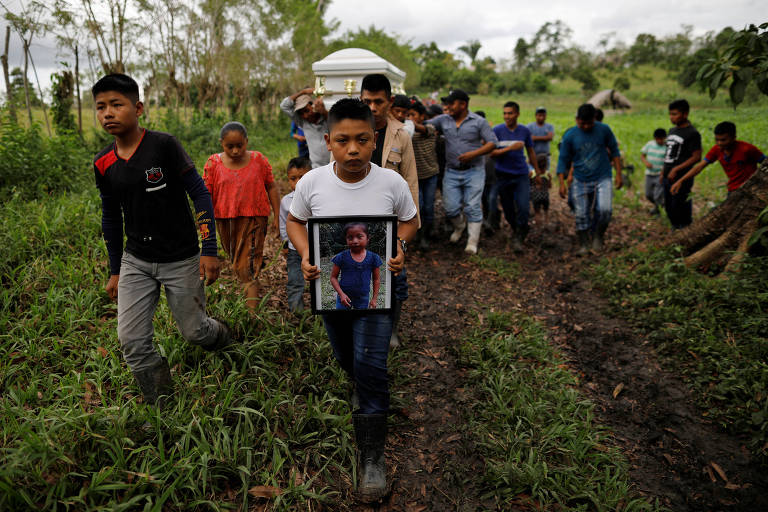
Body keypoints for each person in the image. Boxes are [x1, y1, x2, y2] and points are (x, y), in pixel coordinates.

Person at [286, 98, 418, 501]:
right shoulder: (312, 183)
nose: (354, 150)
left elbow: (410, 221)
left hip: (377, 295)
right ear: (328, 141)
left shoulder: (391, 183)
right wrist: (307, 255)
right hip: (334, 295)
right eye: (343, 141)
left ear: (374, 139)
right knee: (347, 357)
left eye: (363, 140)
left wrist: (400, 248)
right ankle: (359, 380)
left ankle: (371, 458)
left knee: (372, 364)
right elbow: (295, 220)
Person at [92, 73, 231, 408]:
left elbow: (199, 193)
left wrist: (208, 250)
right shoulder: (103, 162)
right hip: (136, 259)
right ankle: (162, 406)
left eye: (116, 104)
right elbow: (111, 217)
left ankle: (224, 338)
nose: (108, 113)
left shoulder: (164, 146)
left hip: (181, 257)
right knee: (132, 340)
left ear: (138, 108)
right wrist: (115, 270)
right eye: (100, 107)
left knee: (195, 332)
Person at [360, 73, 419, 349]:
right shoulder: (353, 129)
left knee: (395, 276)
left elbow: (410, 182)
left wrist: (409, 230)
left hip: (391, 220)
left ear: (390, 101)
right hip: (356, 217)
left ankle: (392, 328)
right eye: (367, 101)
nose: (372, 108)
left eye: (378, 102)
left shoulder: (401, 136)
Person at [203, 122, 280, 311]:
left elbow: (270, 186)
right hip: (225, 221)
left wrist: (278, 214)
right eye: (230, 146)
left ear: (247, 141)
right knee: (237, 262)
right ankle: (247, 299)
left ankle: (252, 316)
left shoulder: (258, 160)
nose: (236, 150)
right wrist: (204, 222)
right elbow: (205, 195)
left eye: (240, 145)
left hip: (254, 219)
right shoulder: (213, 163)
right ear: (222, 143)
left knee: (247, 269)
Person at [426, 89, 497, 254]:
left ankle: (472, 243)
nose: (448, 106)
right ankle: (460, 227)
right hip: (451, 171)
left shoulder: (479, 122)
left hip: (474, 170)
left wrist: (474, 153)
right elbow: (425, 125)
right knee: (450, 208)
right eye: (447, 103)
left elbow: (493, 143)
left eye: (451, 103)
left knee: (472, 206)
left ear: (463, 104)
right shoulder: (444, 120)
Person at [557, 103, 622, 254]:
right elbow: (562, 159)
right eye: (582, 123)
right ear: (576, 119)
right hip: (580, 178)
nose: (586, 126)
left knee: (605, 209)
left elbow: (614, 151)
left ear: (595, 119)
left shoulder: (604, 130)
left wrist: (618, 174)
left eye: (589, 123)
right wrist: (561, 182)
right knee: (581, 213)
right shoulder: (570, 135)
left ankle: (598, 236)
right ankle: (584, 243)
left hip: (602, 176)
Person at [491, 101, 540, 252]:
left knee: (524, 207)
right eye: (505, 113)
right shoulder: (497, 131)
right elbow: (492, 153)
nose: (507, 116)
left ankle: (519, 235)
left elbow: (531, 152)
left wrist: (537, 172)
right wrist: (510, 148)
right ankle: (517, 229)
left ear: (517, 114)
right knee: (508, 209)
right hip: (502, 175)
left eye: (510, 113)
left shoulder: (524, 131)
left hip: (521, 175)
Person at [671, 121, 765, 197]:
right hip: (733, 190)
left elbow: (765, 163)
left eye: (723, 140)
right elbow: (699, 167)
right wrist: (680, 181)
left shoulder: (747, 149)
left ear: (733, 138)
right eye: (717, 140)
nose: (719, 143)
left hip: (752, 190)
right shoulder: (716, 150)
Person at [279, 157, 312, 312]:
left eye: (302, 177)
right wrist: (285, 243)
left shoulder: (316, 199)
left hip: (316, 247)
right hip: (294, 249)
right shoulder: (286, 201)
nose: (298, 182)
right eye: (293, 178)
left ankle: (321, 311)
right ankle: (297, 313)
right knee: (295, 280)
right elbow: (283, 224)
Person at [662, 99, 701, 230]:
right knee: (668, 205)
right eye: (670, 114)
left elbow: (697, 157)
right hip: (668, 175)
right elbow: (668, 152)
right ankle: (675, 227)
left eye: (674, 114)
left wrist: (677, 169)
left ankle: (684, 228)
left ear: (685, 114)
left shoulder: (692, 133)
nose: (671, 117)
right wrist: (663, 171)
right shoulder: (672, 131)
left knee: (680, 203)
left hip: (683, 176)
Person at [407, 100, 439, 249]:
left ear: (422, 116)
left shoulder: (429, 128)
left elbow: (424, 130)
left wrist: (409, 124)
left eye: (412, 115)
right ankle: (418, 234)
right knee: (417, 206)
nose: (409, 118)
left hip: (430, 175)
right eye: (407, 115)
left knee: (428, 206)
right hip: (415, 178)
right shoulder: (406, 133)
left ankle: (427, 233)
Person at [330, 223, 383, 310]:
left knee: (360, 322)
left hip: (363, 298)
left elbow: (376, 279)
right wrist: (341, 294)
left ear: (368, 238)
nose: (354, 241)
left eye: (359, 236)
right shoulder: (341, 257)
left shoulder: (374, 258)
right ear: (346, 239)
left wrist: (374, 299)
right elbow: (333, 278)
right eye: (350, 238)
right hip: (343, 298)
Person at [280, 87, 330, 168]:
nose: (305, 116)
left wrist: (324, 112)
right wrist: (303, 92)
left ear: (313, 106)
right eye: (301, 113)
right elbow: (284, 106)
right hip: (317, 168)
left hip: (334, 166)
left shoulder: (326, 118)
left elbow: (337, 125)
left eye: (307, 110)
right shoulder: (303, 122)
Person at [640, 128, 667, 216]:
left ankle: (657, 211)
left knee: (657, 195)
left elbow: (667, 161)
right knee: (648, 194)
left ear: (665, 138)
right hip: (649, 174)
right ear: (654, 138)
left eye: (661, 139)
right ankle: (659, 205)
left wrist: (663, 173)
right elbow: (642, 155)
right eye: (657, 139)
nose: (659, 141)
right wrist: (646, 163)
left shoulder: (667, 147)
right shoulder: (649, 144)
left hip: (660, 174)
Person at [527, 106, 554, 171]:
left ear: (546, 116)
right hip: (534, 156)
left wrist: (535, 138)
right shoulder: (530, 126)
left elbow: (550, 137)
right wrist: (545, 137)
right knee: (533, 176)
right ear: (536, 116)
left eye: (543, 115)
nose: (541, 117)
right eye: (539, 115)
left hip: (545, 157)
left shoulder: (549, 126)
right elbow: (529, 139)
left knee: (545, 176)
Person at [531, 153, 551, 226]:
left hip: (535, 196)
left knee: (537, 212)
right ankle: (546, 222)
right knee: (546, 210)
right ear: (546, 165)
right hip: (545, 195)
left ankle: (538, 225)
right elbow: (549, 185)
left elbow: (529, 183)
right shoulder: (548, 174)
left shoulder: (532, 173)